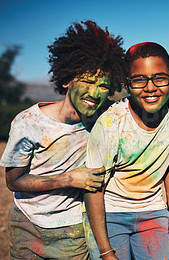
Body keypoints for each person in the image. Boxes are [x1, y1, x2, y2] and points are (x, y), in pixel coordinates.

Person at [0, 20, 127, 259]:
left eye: (103, 86)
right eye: (88, 81)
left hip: (74, 231)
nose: (94, 92)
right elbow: (13, 181)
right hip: (27, 226)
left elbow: (142, 103)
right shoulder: (28, 122)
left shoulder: (103, 118)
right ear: (67, 79)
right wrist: (70, 179)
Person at [83, 42, 169, 260]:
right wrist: (105, 252)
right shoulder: (110, 124)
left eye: (159, 78)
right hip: (109, 214)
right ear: (127, 83)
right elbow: (93, 189)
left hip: (153, 211)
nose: (150, 87)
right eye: (139, 80)